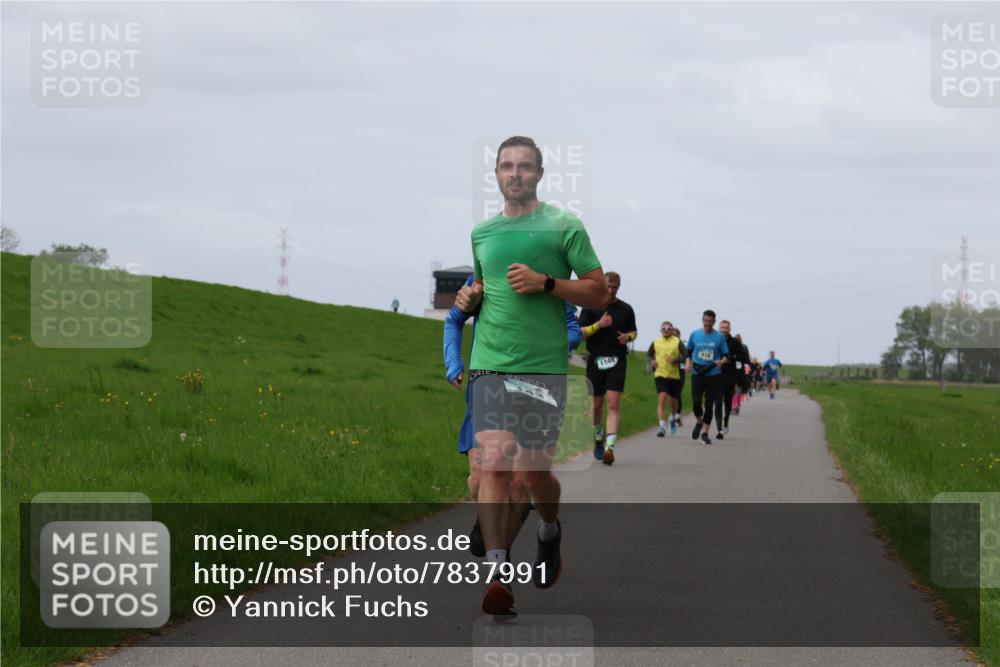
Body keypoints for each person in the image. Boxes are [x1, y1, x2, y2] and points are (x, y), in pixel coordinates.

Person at [454, 136, 608, 616]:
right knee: (495, 458)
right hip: (490, 364)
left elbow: (599, 293)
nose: (515, 173)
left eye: (524, 166)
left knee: (535, 477)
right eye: (506, 166)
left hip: (542, 369)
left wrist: (548, 284)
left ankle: (549, 529)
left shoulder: (564, 226)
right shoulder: (482, 233)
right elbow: (482, 289)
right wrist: (468, 301)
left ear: (540, 174)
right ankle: (499, 574)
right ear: (496, 174)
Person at [444, 273, 583, 558]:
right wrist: (454, 362)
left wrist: (540, 341)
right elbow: (454, 320)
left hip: (533, 385)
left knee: (522, 482)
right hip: (488, 383)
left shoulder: (547, 280)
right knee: (479, 476)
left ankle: (502, 563)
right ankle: (490, 523)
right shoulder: (481, 279)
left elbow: (573, 331)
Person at [577, 272, 637, 465]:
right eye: (608, 286)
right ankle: (598, 434)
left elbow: (634, 331)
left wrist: (628, 337)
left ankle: (610, 448)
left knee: (613, 404)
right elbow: (580, 333)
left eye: (615, 287)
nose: (611, 291)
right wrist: (598, 325)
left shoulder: (626, 309)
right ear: (602, 285)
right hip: (595, 360)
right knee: (596, 405)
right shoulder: (590, 306)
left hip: (617, 360)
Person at [684, 309, 729, 445]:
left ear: (714, 322)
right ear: (702, 320)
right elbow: (689, 351)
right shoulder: (695, 334)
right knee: (696, 402)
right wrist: (688, 363)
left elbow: (726, 355)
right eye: (705, 321)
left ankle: (705, 432)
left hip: (713, 374)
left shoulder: (719, 337)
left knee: (709, 404)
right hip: (698, 373)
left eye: (710, 322)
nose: (707, 324)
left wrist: (722, 362)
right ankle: (699, 421)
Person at [647, 321, 682, 436]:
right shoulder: (656, 342)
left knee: (673, 401)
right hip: (660, 374)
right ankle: (662, 426)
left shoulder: (677, 342)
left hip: (673, 375)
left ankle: (672, 418)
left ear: (672, 330)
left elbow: (686, 355)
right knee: (662, 398)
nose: (666, 330)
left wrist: (676, 360)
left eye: (668, 329)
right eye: (664, 329)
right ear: (661, 330)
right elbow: (648, 354)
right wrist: (652, 361)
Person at [718, 320, 749, 435]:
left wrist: (731, 358)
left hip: (730, 375)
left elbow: (744, 357)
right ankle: (719, 427)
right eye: (722, 327)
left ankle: (726, 420)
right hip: (715, 374)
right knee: (717, 401)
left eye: (726, 328)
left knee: (727, 401)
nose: (724, 329)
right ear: (719, 328)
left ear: (729, 329)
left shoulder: (735, 342)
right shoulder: (715, 339)